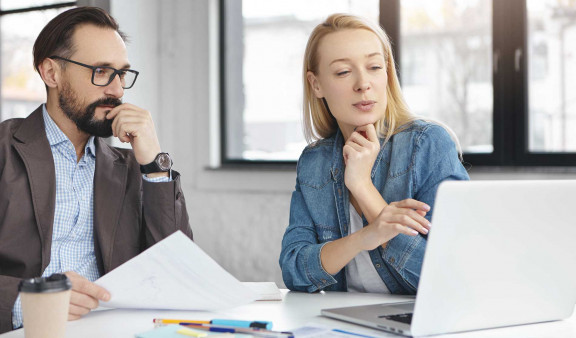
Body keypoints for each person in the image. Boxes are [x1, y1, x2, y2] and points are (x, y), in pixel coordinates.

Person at [0, 7, 193, 332]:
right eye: (101, 71)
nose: (117, 90)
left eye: (122, 74)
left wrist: (154, 163)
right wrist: (33, 301)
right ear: (51, 73)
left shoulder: (132, 167)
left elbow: (177, 268)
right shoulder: (5, 151)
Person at [279, 14, 469, 295]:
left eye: (374, 67)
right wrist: (365, 237)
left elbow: (451, 278)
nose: (363, 83)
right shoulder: (314, 162)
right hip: (345, 322)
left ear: (387, 73)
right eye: (343, 72)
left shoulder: (427, 144)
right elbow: (294, 271)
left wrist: (362, 187)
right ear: (316, 84)